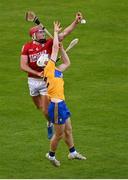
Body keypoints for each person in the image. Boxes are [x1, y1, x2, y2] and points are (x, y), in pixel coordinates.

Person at [20, 12, 84, 139]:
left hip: (46, 82)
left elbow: (65, 33)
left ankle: (49, 123)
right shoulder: (27, 47)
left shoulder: (49, 43)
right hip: (32, 81)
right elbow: (23, 66)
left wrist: (75, 22)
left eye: (42, 32)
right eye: (40, 32)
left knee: (45, 109)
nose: (43, 33)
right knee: (38, 106)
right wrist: (37, 72)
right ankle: (48, 118)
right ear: (34, 35)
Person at [41, 21, 86, 167]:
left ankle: (72, 152)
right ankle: (51, 155)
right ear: (46, 62)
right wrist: (55, 32)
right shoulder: (48, 68)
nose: (50, 58)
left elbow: (67, 63)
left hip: (62, 103)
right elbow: (53, 47)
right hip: (56, 105)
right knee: (59, 134)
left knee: (68, 129)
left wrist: (62, 49)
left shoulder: (55, 70)